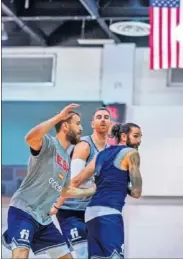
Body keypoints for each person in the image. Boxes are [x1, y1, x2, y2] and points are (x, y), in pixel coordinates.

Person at [1, 104, 96, 259]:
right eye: (77, 124)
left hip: (44, 220)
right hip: (23, 211)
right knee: (20, 254)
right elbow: (30, 138)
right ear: (65, 126)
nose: (81, 129)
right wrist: (59, 116)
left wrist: (92, 190)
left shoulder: (66, 159)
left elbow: (66, 190)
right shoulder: (49, 143)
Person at [65, 122, 143, 259]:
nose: (139, 140)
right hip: (110, 212)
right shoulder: (132, 153)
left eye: (140, 137)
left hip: (91, 214)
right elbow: (137, 192)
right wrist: (124, 186)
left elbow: (78, 180)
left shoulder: (101, 154)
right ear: (124, 136)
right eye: (136, 136)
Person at [51, 107, 112, 259]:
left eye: (106, 117)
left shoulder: (111, 150)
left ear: (111, 123)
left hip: (93, 211)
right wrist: (57, 205)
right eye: (99, 117)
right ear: (92, 124)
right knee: (83, 252)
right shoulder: (84, 145)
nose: (103, 119)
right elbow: (75, 179)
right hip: (71, 210)